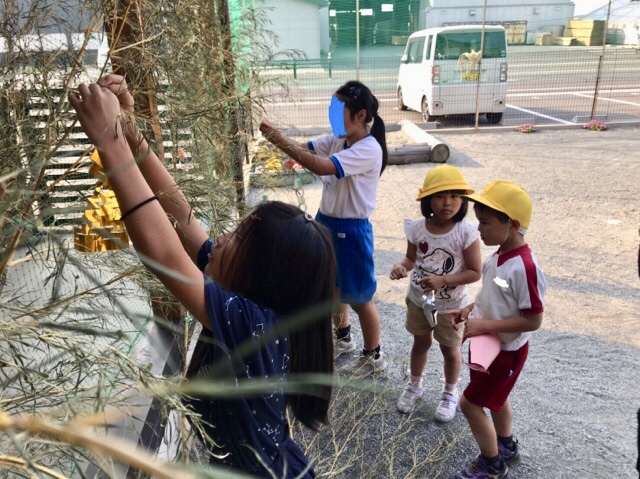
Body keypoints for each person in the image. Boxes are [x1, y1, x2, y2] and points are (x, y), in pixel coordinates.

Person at [68, 75, 337, 478]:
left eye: (238, 236)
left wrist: (109, 143)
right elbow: (180, 212)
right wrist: (129, 132)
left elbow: (164, 253)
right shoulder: (245, 296)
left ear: (264, 275)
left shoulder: (256, 327)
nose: (222, 237)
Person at [259, 80, 388, 373]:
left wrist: (276, 138)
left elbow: (320, 166)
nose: (332, 115)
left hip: (352, 230)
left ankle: (374, 355)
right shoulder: (339, 139)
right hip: (326, 221)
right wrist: (277, 139)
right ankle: (343, 337)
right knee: (332, 286)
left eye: (338, 110)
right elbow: (304, 148)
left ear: (360, 114)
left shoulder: (368, 149)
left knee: (359, 298)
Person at [452, 180, 547, 479]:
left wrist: (483, 325)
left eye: (485, 223)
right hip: (487, 343)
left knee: (470, 403)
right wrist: (470, 310)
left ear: (513, 224)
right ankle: (506, 445)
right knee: (496, 397)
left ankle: (492, 464)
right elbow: (494, 294)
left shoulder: (525, 267)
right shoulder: (500, 253)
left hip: (505, 351)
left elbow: (533, 319)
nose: (479, 229)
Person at [389, 165, 481, 420]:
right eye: (440, 195)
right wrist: (401, 266)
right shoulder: (417, 229)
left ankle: (450, 392)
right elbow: (410, 259)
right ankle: (415, 385)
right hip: (420, 300)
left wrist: (445, 280)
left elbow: (475, 272)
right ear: (428, 199)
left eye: (454, 195)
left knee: (450, 350)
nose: (447, 202)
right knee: (420, 343)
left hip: (451, 305)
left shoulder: (465, 232)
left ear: (463, 200)